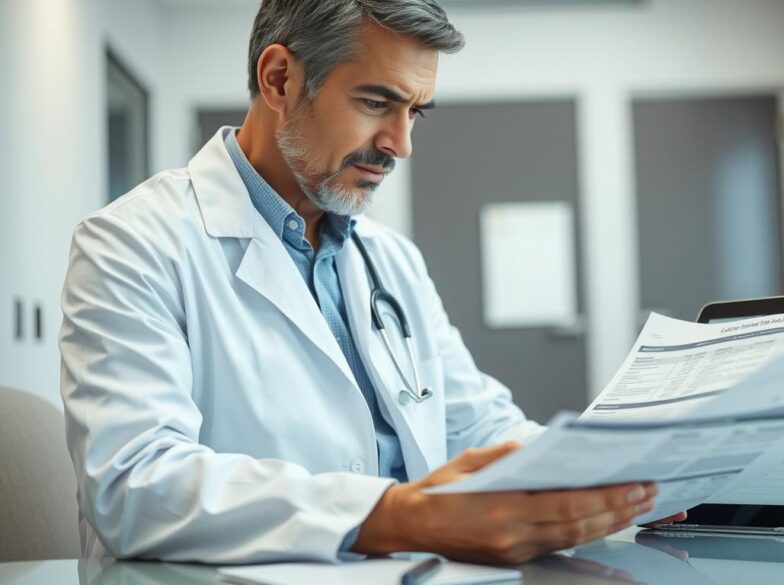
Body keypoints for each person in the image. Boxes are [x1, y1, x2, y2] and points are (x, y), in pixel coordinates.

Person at [59, 0, 684, 565]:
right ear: (279, 79)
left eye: (414, 112)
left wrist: (614, 475)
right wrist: (398, 516)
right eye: (377, 103)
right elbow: (135, 486)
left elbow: (477, 425)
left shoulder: (392, 261)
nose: (400, 144)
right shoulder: (133, 243)